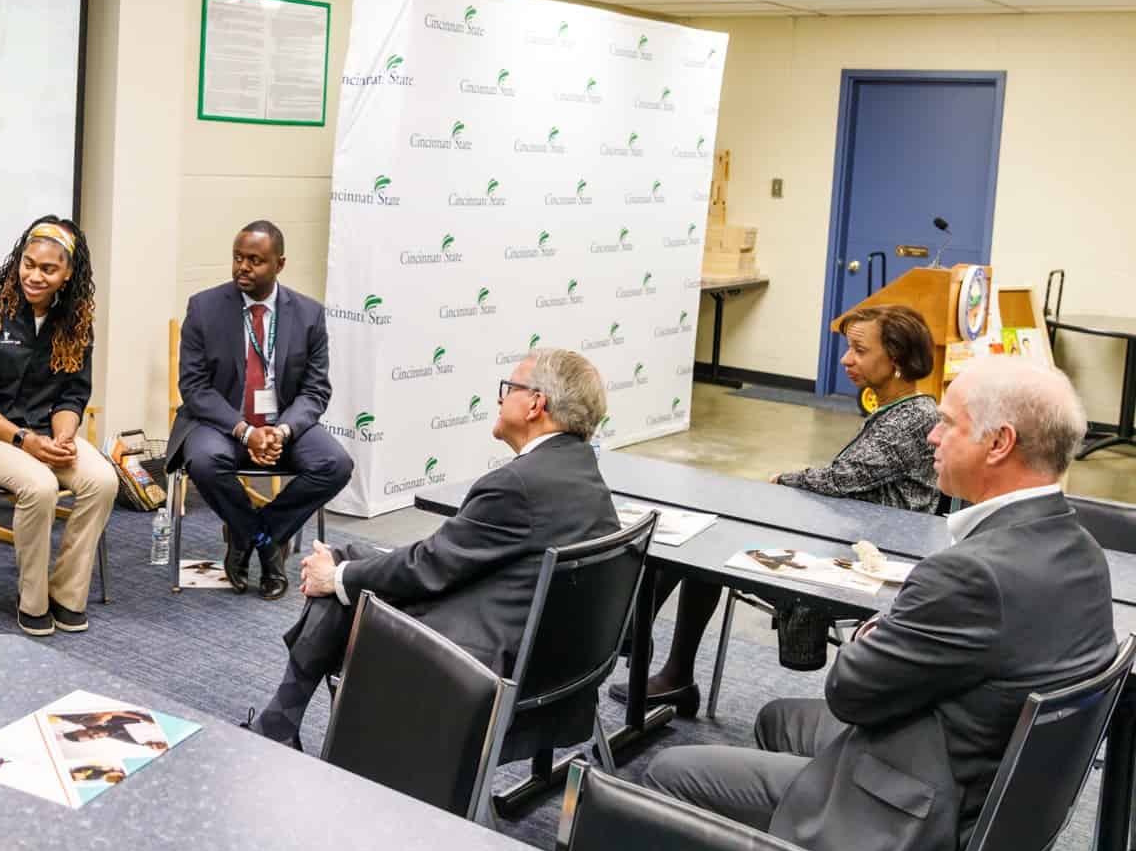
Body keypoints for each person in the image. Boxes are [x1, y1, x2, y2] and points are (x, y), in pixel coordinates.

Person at [643, 355, 1115, 851]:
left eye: (948, 422)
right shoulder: (1084, 552)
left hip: (926, 807)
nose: (932, 437)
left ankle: (805, 849)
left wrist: (874, 632)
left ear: (999, 443)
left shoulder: (968, 575)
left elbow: (849, 692)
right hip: (991, 784)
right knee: (778, 717)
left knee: (667, 772)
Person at [245, 349, 618, 748]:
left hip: (480, 663)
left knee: (340, 581)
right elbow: (452, 555)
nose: (499, 398)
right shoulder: (583, 472)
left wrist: (337, 577)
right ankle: (280, 724)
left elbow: (430, 567)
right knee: (346, 561)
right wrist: (342, 572)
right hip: (550, 662)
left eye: (508, 389)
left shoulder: (518, 484)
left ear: (535, 404)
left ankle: (287, 727)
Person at [611, 304, 941, 715]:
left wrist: (783, 479)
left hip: (863, 562)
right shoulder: (900, 409)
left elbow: (842, 478)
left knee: (700, 546)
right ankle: (649, 653)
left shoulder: (914, 418)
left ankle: (630, 640)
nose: (845, 359)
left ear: (895, 358)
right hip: (849, 537)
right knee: (704, 536)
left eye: (859, 349)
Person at [167, 221, 354, 601]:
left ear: (279, 264)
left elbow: (316, 391)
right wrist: (244, 431)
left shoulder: (309, 314)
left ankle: (251, 533)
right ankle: (268, 544)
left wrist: (282, 431)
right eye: (238, 258)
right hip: (222, 423)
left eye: (255, 260)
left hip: (283, 425)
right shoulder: (203, 308)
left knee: (335, 464)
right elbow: (194, 387)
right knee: (204, 461)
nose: (243, 268)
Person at [0, 216, 117, 636]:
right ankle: (34, 600)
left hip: (46, 437)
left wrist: (64, 434)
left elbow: (72, 395)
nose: (34, 275)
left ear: (68, 274)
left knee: (102, 479)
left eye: (48, 269)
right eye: (28, 263)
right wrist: (26, 441)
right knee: (40, 485)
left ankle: (67, 594)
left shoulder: (75, 322)